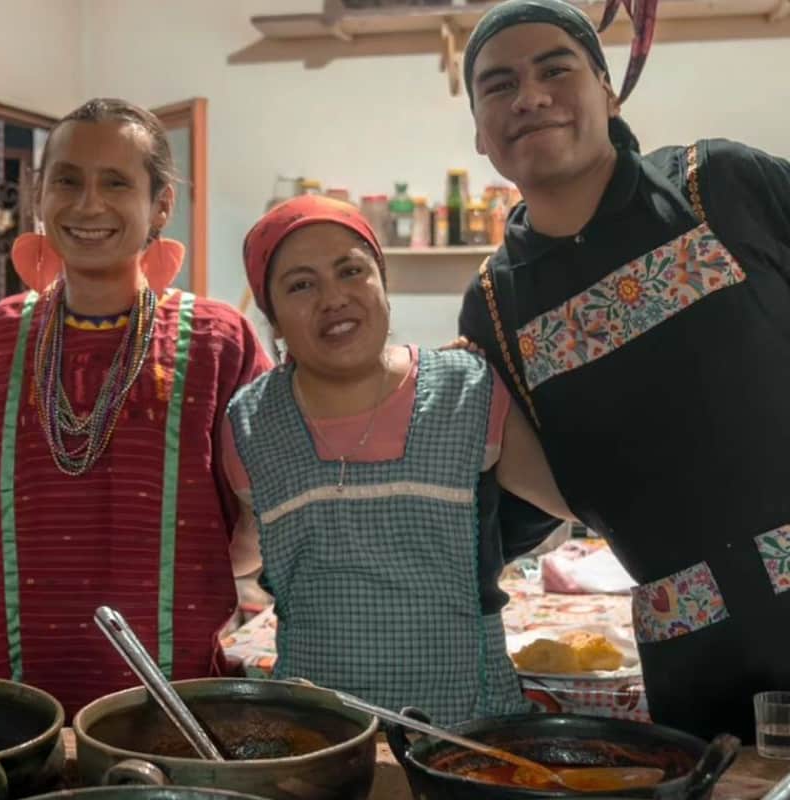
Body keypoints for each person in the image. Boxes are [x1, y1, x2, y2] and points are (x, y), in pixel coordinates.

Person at [456, 0, 790, 741]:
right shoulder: (494, 309)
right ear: (479, 131)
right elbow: (532, 504)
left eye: (555, 70)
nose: (529, 96)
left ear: (608, 93)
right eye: (499, 84)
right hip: (700, 666)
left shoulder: (717, 186)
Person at [0, 98, 271, 714]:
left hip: (172, 714)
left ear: (161, 205)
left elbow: (261, 525)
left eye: (116, 182)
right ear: (40, 196)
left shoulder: (217, 342)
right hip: (8, 715)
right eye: (67, 180)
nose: (88, 204)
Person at [222, 195, 572, 723]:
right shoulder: (251, 423)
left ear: (381, 282)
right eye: (301, 285)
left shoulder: (467, 392)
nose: (333, 298)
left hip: (465, 731)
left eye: (351, 271)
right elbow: (243, 551)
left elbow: (575, 499)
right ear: (271, 317)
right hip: (319, 736)